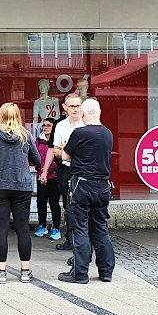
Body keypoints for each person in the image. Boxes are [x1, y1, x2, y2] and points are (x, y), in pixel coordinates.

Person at [0, 103, 41, 284]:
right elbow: (37, 158)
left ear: (0, 115)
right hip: (22, 186)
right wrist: (34, 166)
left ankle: (1, 272)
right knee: (22, 228)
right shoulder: (25, 135)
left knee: (1, 228)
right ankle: (25, 271)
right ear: (17, 116)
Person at [59, 98, 116, 284]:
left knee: (80, 229)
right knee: (100, 228)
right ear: (99, 113)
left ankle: (80, 273)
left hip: (82, 185)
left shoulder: (79, 132)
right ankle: (106, 272)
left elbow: (66, 155)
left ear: (83, 114)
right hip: (102, 186)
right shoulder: (108, 134)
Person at [47, 93, 88, 251]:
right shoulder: (60, 126)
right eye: (72, 106)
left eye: (78, 105)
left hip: (83, 170)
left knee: (82, 205)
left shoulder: (86, 125)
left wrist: (69, 151)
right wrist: (65, 151)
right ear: (65, 107)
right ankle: (70, 238)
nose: (76, 109)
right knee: (67, 203)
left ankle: (83, 241)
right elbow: (55, 149)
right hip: (65, 168)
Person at [34, 118, 63, 241]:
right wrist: (39, 169)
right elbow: (34, 155)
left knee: (54, 203)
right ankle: (42, 225)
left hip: (54, 177)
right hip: (41, 176)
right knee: (41, 202)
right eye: (44, 125)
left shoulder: (57, 141)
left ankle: (56, 227)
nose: (45, 127)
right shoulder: (38, 141)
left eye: (48, 125)